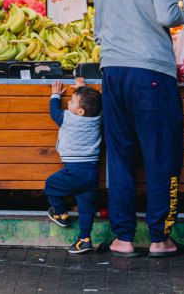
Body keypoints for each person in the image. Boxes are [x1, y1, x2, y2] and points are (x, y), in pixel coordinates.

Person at [93, 0, 184, 258]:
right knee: (161, 155)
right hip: (151, 74)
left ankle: (122, 238)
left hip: (112, 74)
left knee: (120, 156)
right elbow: (167, 14)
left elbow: (97, 34)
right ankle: (159, 238)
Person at [45, 77, 103, 254]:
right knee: (86, 208)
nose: (67, 103)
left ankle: (61, 214)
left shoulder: (68, 118)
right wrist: (82, 90)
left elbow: (54, 111)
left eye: (70, 102)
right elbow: (95, 103)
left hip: (74, 170)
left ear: (80, 112)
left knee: (51, 186)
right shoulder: (98, 118)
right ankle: (84, 239)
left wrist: (55, 95)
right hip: (92, 172)